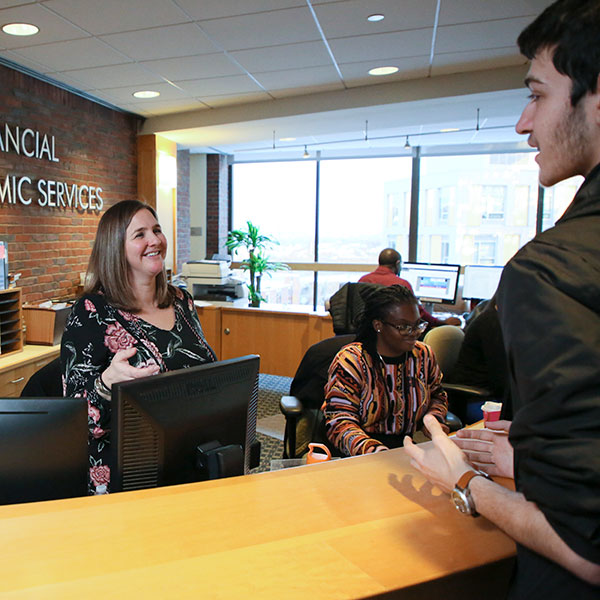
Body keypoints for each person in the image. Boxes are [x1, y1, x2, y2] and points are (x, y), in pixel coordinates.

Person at [404, 1, 600, 597]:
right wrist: (539, 456)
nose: (523, 123)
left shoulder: (553, 270)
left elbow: (585, 547)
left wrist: (464, 478)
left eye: (537, 95)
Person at [61, 200, 216, 495]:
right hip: (128, 473)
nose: (155, 240)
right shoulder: (92, 310)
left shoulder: (181, 301)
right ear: (115, 248)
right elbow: (74, 419)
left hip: (188, 455)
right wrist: (107, 383)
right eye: (140, 234)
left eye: (157, 230)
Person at [322, 285, 448, 456]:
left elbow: (438, 395)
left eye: (418, 325)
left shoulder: (423, 355)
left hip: (405, 448)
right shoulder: (353, 361)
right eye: (403, 327)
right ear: (378, 325)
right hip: (357, 452)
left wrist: (433, 419)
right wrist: (373, 450)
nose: (414, 333)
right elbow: (339, 420)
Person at [359, 248, 461, 328]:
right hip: (395, 336)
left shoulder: (363, 280)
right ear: (397, 263)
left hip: (369, 333)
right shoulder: (401, 284)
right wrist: (442, 322)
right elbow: (417, 315)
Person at [448, 295, 510, 423]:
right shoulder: (492, 322)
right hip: (475, 398)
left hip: (491, 394)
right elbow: (501, 377)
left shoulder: (504, 319)